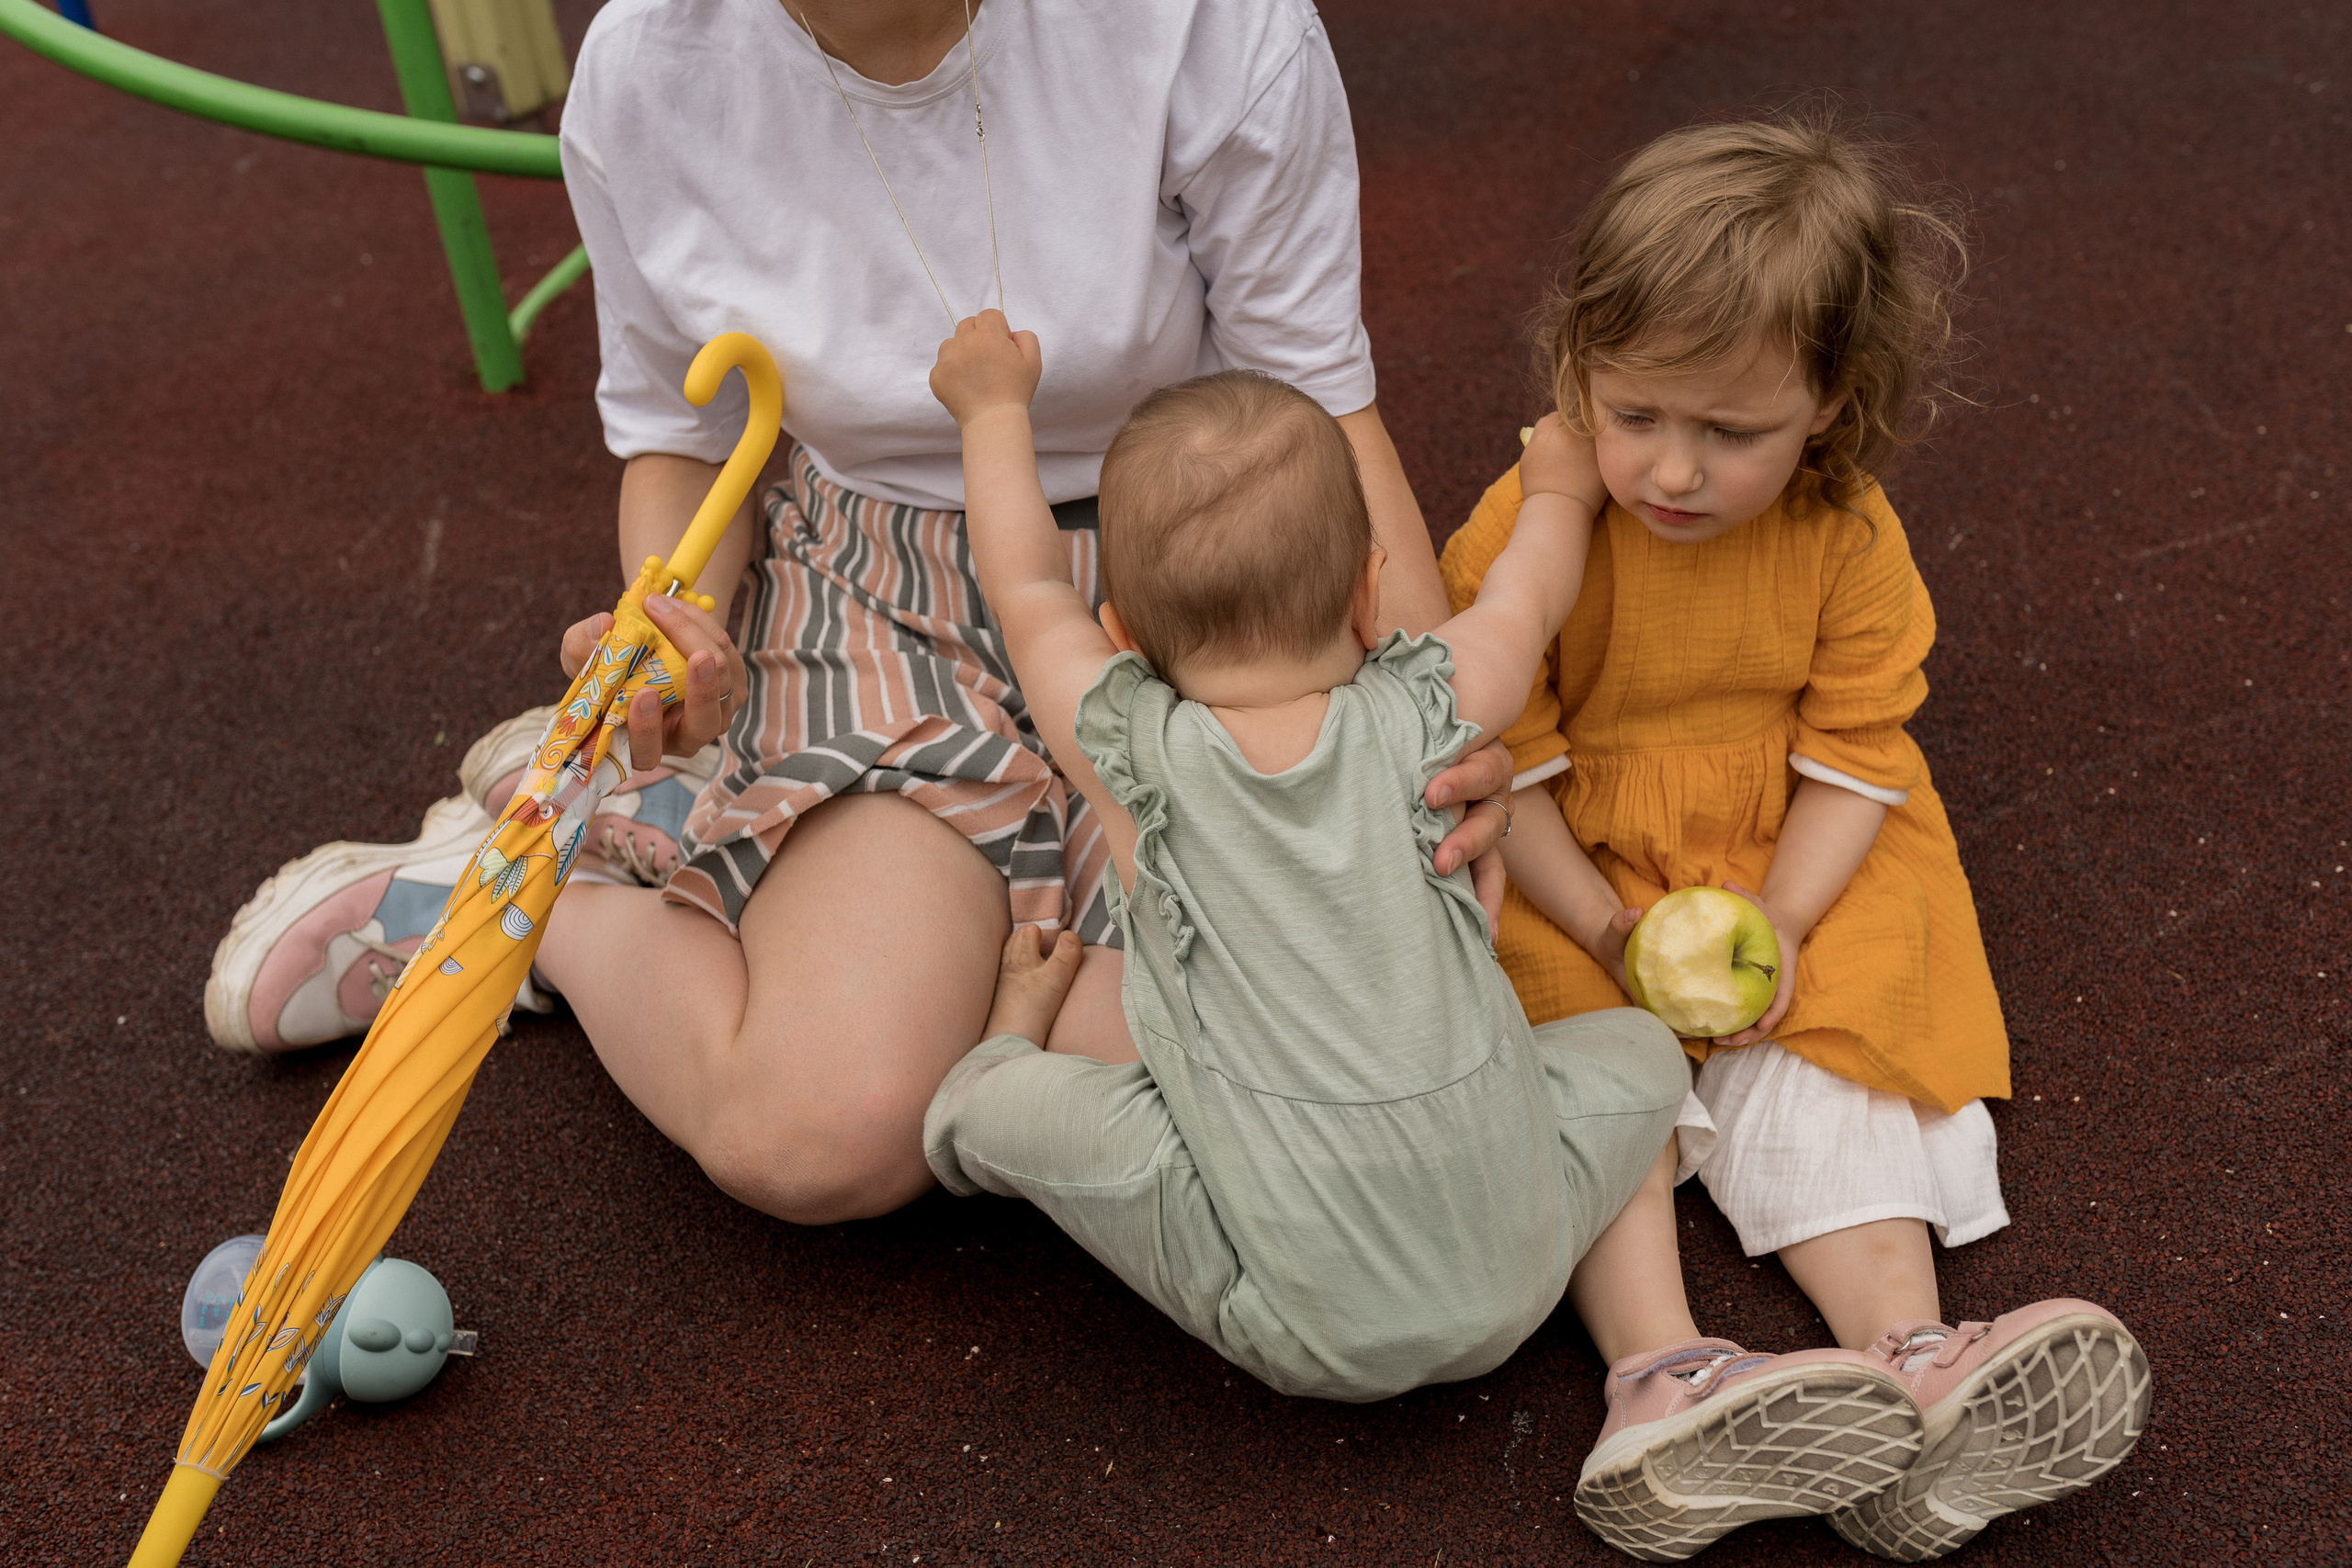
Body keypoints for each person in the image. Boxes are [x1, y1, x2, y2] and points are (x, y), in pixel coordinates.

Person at [203, 0, 1517, 1224]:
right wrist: (669, 640)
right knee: (823, 1132)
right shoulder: (655, 65)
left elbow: (1314, 397)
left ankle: (747, 860)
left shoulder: (1200, 23)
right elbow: (680, 435)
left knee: (1334, 1047)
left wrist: (1421, 724)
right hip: (892, 580)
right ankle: (549, 885)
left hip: (1203, 563)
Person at [1441, 111, 2151, 1559]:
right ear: (1576, 367)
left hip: (1787, 839)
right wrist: (1600, 928)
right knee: (1573, 1043)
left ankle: (1911, 1356)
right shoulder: (1529, 527)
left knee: (1845, 1028)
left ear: (1832, 399)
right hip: (1577, 844)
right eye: (1633, 414)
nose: (1675, 471)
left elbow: (1854, 757)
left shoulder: (1848, 532)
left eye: (1731, 431)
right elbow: (1503, 762)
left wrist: (1792, 923)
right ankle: (1658, 1371)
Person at [918, 322, 1699, 1403]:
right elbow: (1526, 594)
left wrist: (994, 411)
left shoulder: (1131, 748)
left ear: (1123, 636)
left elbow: (1025, 589)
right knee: (1643, 1049)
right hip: (1525, 1271)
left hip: (1296, 1319)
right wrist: (1558, 487)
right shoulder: (1435, 705)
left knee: (983, 1114)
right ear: (1369, 597)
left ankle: (991, 1065)